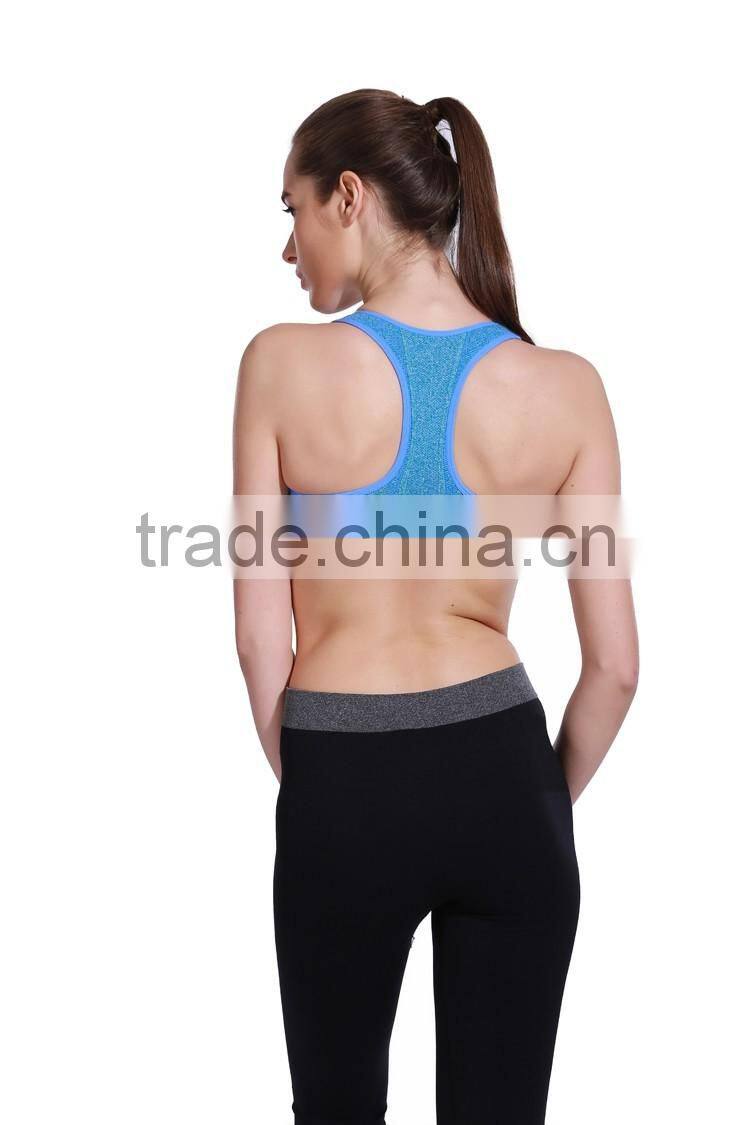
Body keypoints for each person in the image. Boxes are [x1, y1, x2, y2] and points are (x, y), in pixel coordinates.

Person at [233, 88, 639, 1125]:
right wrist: (527, 805)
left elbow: (259, 639)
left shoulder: (279, 364)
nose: (288, 247)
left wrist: (329, 789)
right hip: (504, 771)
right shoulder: (568, 385)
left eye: (292, 209)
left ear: (349, 196)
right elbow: (616, 669)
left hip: (341, 771)